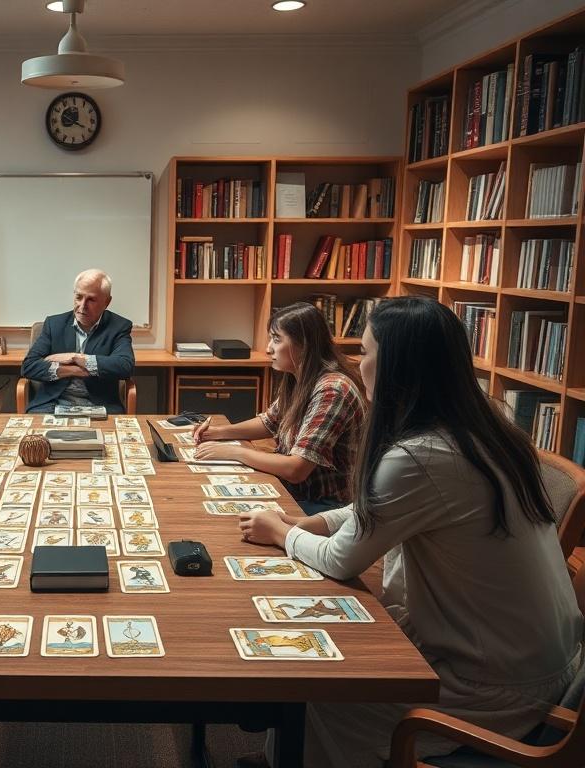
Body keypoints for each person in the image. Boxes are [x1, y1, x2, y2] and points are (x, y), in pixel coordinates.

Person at [237, 296, 583, 768]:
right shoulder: (484, 429)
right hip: (538, 662)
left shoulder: (420, 456)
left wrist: (281, 532)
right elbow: (380, 509)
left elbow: (342, 559)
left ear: (398, 366)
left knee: (317, 695)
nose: (359, 364)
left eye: (366, 350)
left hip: (497, 690)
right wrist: (312, 522)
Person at [193, 302, 364, 515]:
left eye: (276, 339)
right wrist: (217, 433)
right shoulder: (299, 377)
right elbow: (269, 422)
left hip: (324, 506)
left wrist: (234, 452)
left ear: (304, 344)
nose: (268, 348)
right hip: (295, 491)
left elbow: (296, 469)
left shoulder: (332, 390)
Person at [19, 269, 135, 414]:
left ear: (107, 302)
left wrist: (75, 357)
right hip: (51, 405)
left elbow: (125, 366)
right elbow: (28, 367)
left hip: (100, 406)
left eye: (91, 299)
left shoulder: (119, 327)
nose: (82, 306)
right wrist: (75, 370)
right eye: (79, 297)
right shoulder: (54, 324)